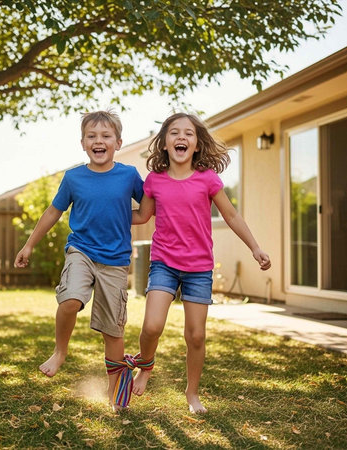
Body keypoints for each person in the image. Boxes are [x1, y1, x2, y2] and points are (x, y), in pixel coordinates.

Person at [131, 112, 271, 414]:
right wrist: (102, 212)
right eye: (174, 133)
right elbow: (141, 216)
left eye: (189, 134)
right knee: (152, 325)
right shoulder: (154, 180)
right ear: (165, 144)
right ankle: (145, 366)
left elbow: (231, 216)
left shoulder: (207, 179)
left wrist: (255, 247)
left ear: (196, 145)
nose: (181, 137)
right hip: (164, 263)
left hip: (198, 268)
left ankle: (192, 393)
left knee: (195, 335)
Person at [14, 110, 145, 411]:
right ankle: (60, 351)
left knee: (113, 329)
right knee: (70, 300)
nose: (99, 141)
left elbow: (146, 209)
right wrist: (29, 245)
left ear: (118, 142)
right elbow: (52, 212)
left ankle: (114, 392)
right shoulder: (74, 177)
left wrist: (137, 215)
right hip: (81, 251)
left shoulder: (128, 175)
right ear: (83, 143)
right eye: (92, 136)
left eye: (106, 136)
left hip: (115, 260)